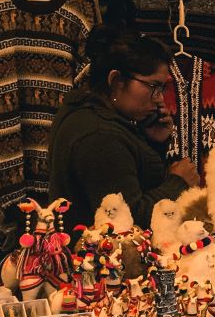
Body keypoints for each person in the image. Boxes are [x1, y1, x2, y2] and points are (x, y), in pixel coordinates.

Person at [49, 26, 199, 235]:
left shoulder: (88, 113)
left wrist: (154, 142)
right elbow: (127, 223)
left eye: (162, 88)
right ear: (117, 81)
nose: (159, 98)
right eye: (153, 86)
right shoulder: (101, 137)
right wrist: (178, 183)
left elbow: (130, 181)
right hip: (100, 262)